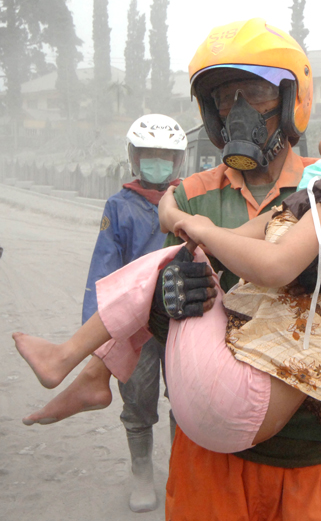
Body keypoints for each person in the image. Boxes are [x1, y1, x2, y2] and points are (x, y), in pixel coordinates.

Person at [20, 19, 321, 521]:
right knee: (161, 272)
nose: (236, 110)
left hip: (316, 452)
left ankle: (78, 366)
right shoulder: (194, 193)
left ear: (289, 98)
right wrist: (167, 307)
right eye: (224, 95)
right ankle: (88, 372)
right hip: (210, 450)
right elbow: (165, 313)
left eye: (253, 93)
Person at [81, 114, 186, 513]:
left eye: (166, 156)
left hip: (181, 321)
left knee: (186, 399)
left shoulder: (189, 200)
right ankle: (142, 473)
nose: (157, 163)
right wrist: (96, 332)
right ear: (134, 157)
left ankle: (182, 470)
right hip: (134, 327)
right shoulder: (119, 206)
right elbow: (102, 268)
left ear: (178, 161)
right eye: (149, 155)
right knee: (138, 401)